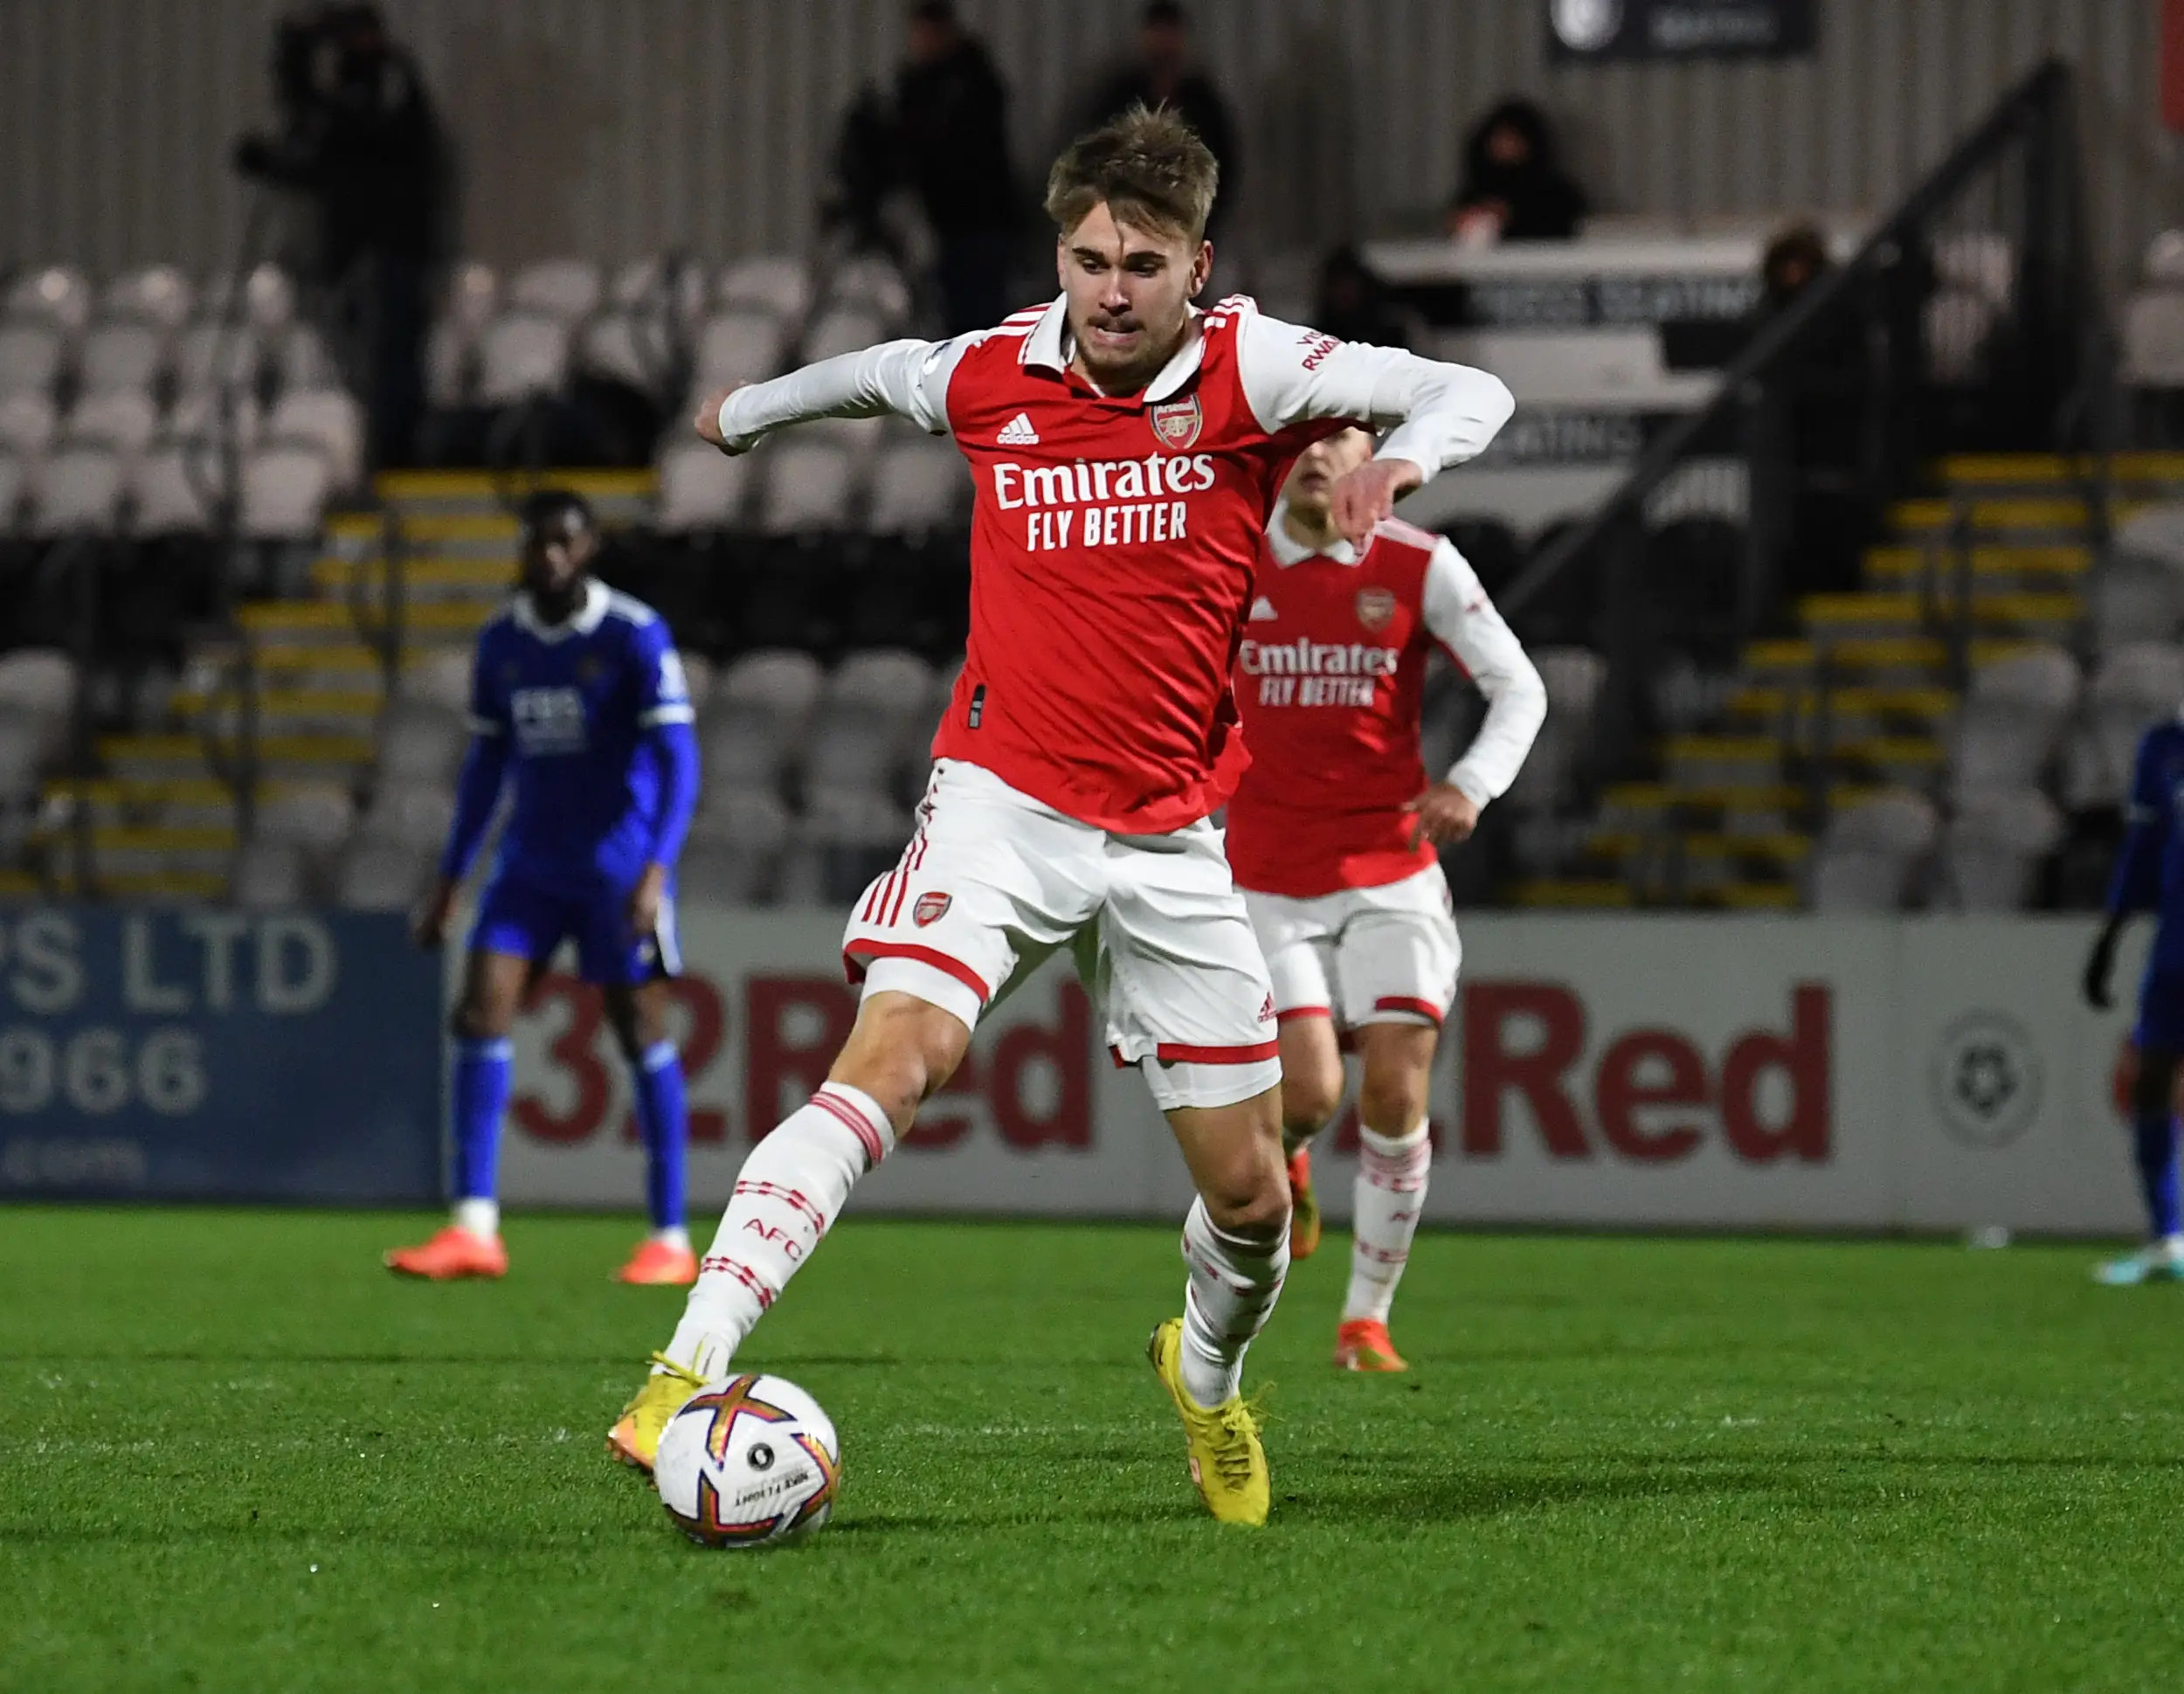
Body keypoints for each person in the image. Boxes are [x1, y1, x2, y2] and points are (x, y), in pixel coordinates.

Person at [605, 105, 1513, 1526]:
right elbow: (879, 373)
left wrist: (1400, 468)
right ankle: (682, 1365)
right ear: (1060, 251)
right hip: (1000, 802)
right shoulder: (998, 370)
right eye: (1087, 257)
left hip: (1170, 840)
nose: (1108, 288)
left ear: (1195, 264)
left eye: (1140, 263)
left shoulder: (1253, 369)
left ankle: (1205, 1381)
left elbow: (1470, 386)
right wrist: (746, 413)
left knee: (1257, 1200)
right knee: (893, 1061)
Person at [1228, 426, 1544, 1372]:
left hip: (1389, 863)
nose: (1321, 457)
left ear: (1377, 465)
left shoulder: (1416, 563)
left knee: (1397, 1090)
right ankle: (1288, 1141)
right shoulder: (1224, 555)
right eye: (1305, 439)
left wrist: (1471, 784)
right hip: (1260, 874)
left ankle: (1364, 1321)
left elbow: (1517, 687)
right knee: (1314, 1088)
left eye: (1344, 441)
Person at [385, 490, 702, 1287]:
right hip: (528, 865)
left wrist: (658, 868)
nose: (550, 556)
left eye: (565, 542)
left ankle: (670, 1236)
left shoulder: (633, 632)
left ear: (588, 549)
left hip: (616, 865)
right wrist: (452, 878)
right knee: (479, 1007)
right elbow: (486, 768)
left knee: (639, 1032)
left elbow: (679, 761)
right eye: (538, 543)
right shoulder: (500, 641)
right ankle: (474, 1228)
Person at [234, 3, 444, 467]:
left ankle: (391, 456)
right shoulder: (351, 93)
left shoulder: (390, 85)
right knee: (350, 362)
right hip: (351, 254)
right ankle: (368, 454)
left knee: (387, 362)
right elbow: (326, 158)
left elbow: (349, 146)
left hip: (389, 251)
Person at [2083, 713, 2184, 1285]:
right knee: (2152, 1078)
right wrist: (2110, 935)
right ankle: (2168, 1235)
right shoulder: (2163, 746)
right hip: (2176, 944)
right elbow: (2144, 848)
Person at [895, 1, 1021, 335]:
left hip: (980, 223)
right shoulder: (917, 83)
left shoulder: (973, 81)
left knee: (979, 320)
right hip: (944, 225)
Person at [1084, 2, 1240, 236]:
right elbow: (1096, 154)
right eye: (1158, 32)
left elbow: (1224, 164)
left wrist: (1205, 216)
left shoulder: (1201, 102)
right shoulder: (1120, 97)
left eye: (1170, 32)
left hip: (1188, 224)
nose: (1164, 43)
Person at [1445, 97, 1587, 245]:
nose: (1505, 145)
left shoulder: (1557, 193)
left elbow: (1566, 227)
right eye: (1500, 137)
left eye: (1512, 138)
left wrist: (1513, 216)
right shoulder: (1477, 193)